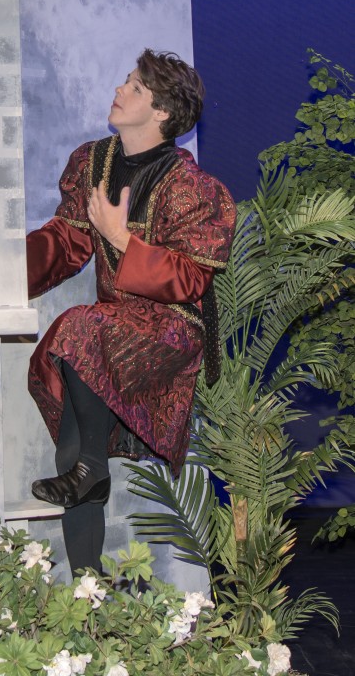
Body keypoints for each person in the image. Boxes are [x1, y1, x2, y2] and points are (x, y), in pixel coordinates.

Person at [26, 49, 236, 575]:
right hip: (108, 332)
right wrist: (0, 270)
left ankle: (93, 468)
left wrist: (120, 237)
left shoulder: (194, 188)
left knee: (75, 330)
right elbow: (68, 240)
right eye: (125, 80)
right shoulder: (92, 162)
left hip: (169, 330)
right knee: (72, 447)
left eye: (135, 87)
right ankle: (87, 590)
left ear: (162, 111)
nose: (120, 90)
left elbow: (191, 279)